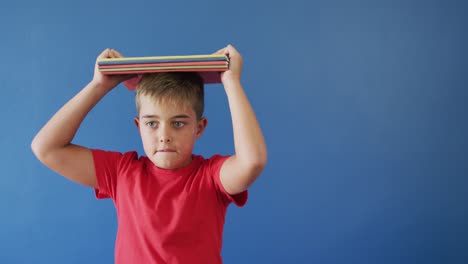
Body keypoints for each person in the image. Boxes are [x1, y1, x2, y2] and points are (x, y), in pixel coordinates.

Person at [31, 45, 267, 263]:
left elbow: (252, 162)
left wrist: (231, 82)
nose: (164, 135)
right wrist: (98, 85)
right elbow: (46, 148)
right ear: (138, 126)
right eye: (152, 123)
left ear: (199, 128)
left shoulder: (211, 177)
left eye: (178, 123)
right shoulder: (121, 172)